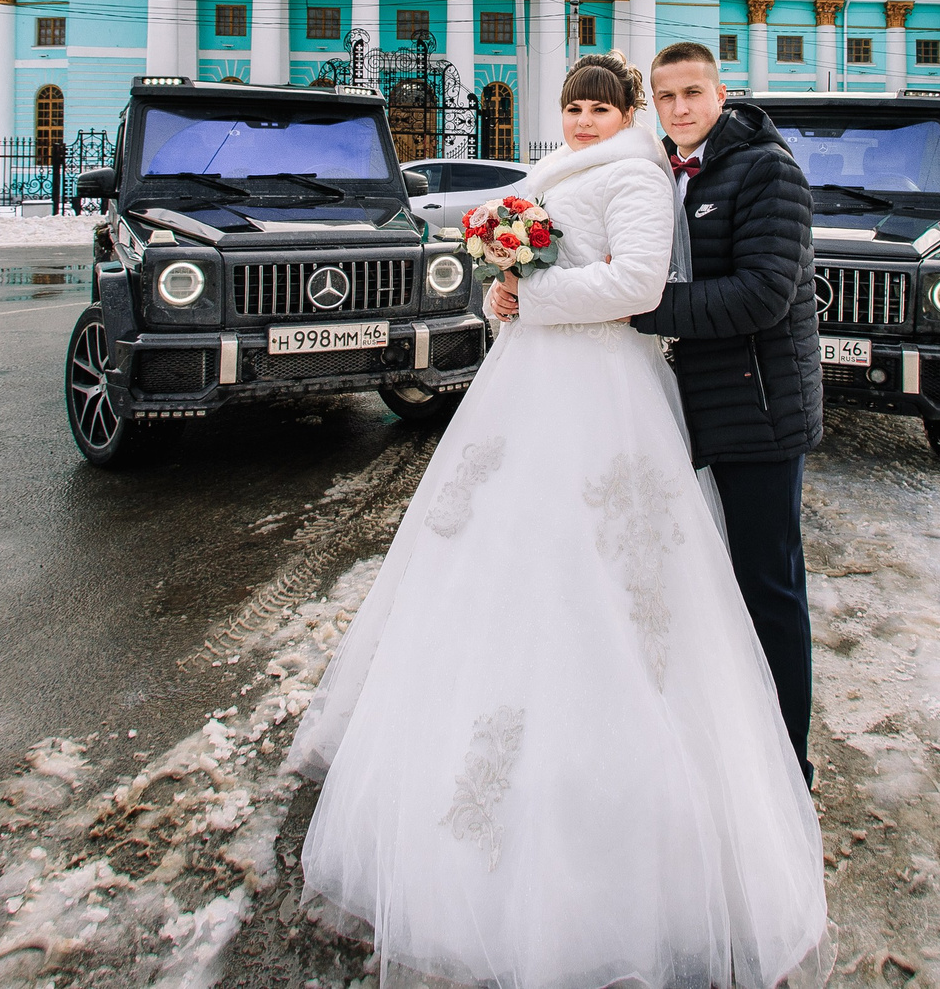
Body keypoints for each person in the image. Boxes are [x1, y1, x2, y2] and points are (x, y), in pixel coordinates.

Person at [293, 54, 829, 989]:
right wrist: (503, 295)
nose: (586, 120)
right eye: (576, 107)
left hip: (638, 389)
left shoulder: (643, 172)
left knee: (722, 584)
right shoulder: (560, 173)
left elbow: (636, 284)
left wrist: (532, 296)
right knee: (518, 561)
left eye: (603, 106)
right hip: (540, 384)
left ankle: (776, 769)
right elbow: (533, 270)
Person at [633, 41, 823, 784]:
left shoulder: (766, 169)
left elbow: (761, 294)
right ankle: (740, 748)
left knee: (769, 589)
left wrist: (640, 308)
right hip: (707, 407)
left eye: (692, 92)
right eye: (667, 96)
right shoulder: (675, 171)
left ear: (721, 93)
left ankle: (788, 763)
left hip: (761, 411)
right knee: (717, 588)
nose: (680, 107)